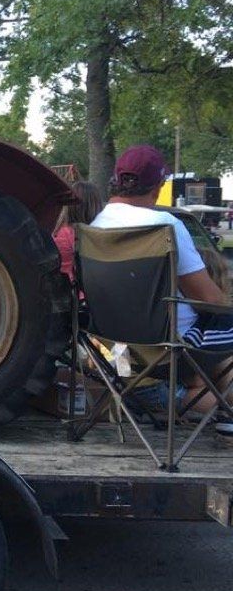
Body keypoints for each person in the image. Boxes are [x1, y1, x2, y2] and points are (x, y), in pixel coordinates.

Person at [90, 144, 233, 420]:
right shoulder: (164, 224)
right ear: (158, 185)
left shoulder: (95, 226)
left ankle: (203, 400)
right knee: (224, 322)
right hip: (171, 350)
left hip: (119, 353)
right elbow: (210, 299)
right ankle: (221, 409)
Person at [53, 180, 103, 283]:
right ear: (94, 205)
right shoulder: (92, 235)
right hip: (82, 290)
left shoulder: (57, 231)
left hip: (62, 286)